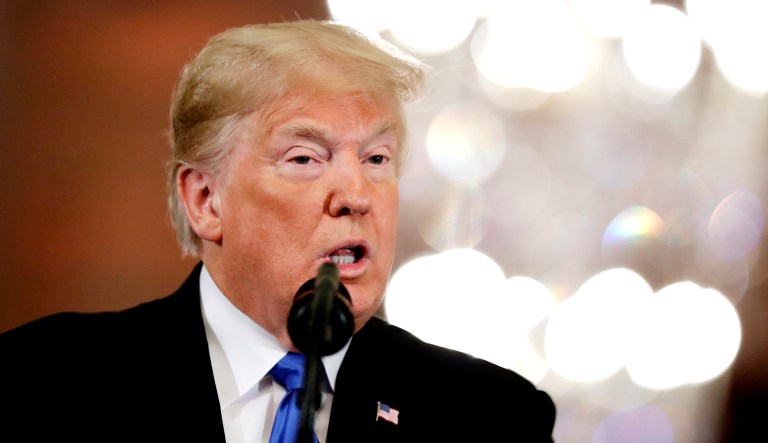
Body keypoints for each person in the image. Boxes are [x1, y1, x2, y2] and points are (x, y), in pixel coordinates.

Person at [1, 20, 556, 442]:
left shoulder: (491, 417)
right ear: (206, 200)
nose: (357, 195)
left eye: (377, 158)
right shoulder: (42, 383)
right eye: (305, 158)